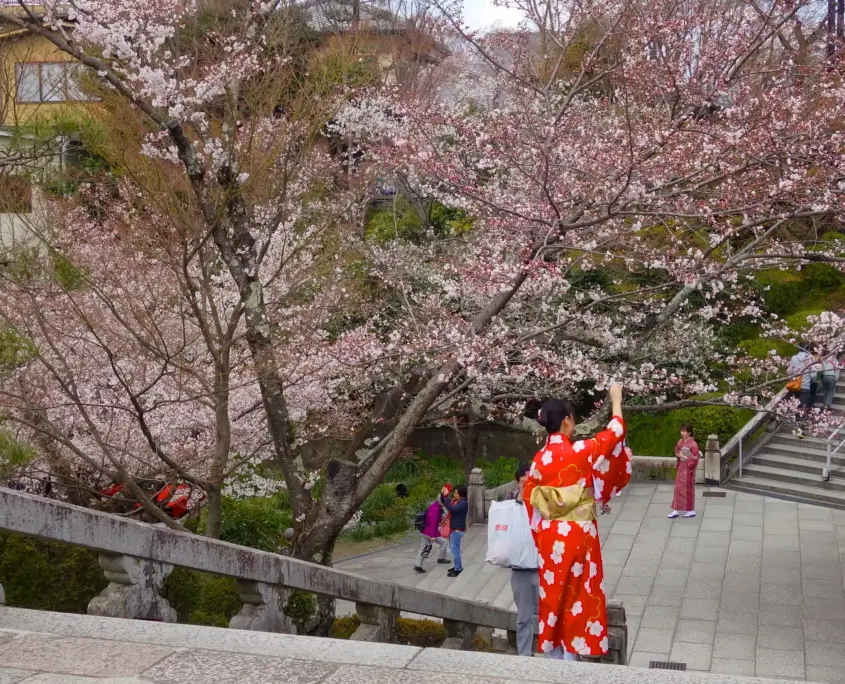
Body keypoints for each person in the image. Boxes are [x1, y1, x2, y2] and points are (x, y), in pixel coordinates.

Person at [523, 385, 631, 661]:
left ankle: (553, 654)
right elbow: (615, 433)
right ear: (567, 420)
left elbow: (529, 499)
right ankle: (573, 657)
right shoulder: (582, 451)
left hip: (549, 536)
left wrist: (541, 534)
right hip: (578, 534)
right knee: (579, 595)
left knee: (553, 595)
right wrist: (616, 401)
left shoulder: (538, 461)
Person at [508, 462, 539, 657]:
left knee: (551, 616)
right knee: (524, 618)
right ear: (517, 483)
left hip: (542, 568)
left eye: (529, 481)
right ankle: (524, 657)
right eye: (522, 482)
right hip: (520, 569)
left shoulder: (544, 499)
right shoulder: (510, 504)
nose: (526, 485)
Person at [414, 484, 453, 573]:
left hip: (425, 531)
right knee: (443, 542)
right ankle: (441, 558)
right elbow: (433, 523)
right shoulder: (436, 509)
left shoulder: (434, 506)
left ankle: (418, 565)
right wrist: (432, 536)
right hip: (430, 532)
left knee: (423, 548)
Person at [668, 424, 700, 519]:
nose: (682, 433)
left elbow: (695, 458)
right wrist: (679, 454)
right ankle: (675, 509)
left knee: (688, 489)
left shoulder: (693, 444)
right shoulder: (680, 441)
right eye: (681, 431)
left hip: (688, 469)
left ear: (689, 432)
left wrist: (684, 457)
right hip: (681, 467)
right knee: (678, 488)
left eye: (684, 431)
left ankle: (691, 510)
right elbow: (677, 450)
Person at [441, 484, 468, 577]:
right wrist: (444, 494)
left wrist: (445, 497)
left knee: (455, 550)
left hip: (457, 530)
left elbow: (451, 509)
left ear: (461, 494)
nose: (455, 495)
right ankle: (456, 566)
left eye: (456, 493)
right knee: (454, 549)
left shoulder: (463, 503)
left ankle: (458, 569)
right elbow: (448, 504)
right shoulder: (457, 501)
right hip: (454, 528)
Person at [787, 345, 815, 411]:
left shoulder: (794, 358)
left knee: (796, 404)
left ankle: (796, 417)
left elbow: (790, 371)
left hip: (795, 384)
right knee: (804, 405)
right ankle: (800, 419)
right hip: (805, 384)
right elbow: (813, 371)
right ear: (807, 348)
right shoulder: (810, 358)